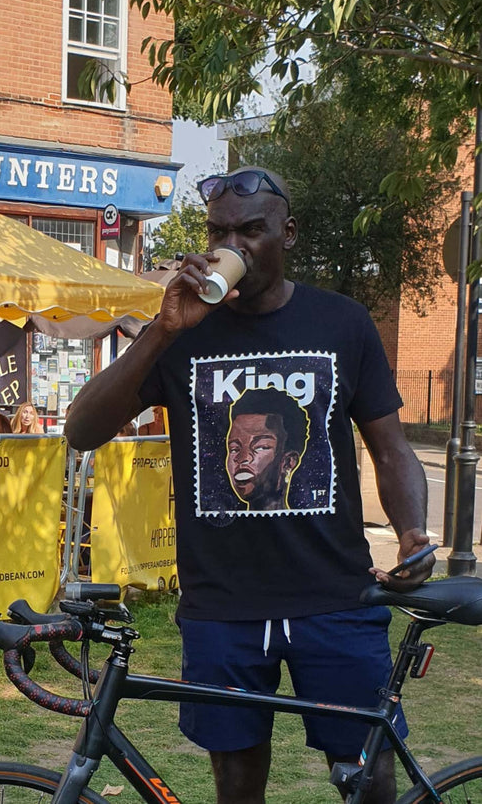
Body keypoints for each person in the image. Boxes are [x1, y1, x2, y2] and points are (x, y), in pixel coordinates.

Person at [66, 166, 433, 804]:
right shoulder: (183, 333)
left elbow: (391, 447)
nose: (233, 245)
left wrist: (411, 533)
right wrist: (161, 331)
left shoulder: (341, 323)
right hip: (223, 608)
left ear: (287, 233)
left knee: (367, 775)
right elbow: (81, 429)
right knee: (236, 782)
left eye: (252, 230)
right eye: (220, 231)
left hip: (335, 597)